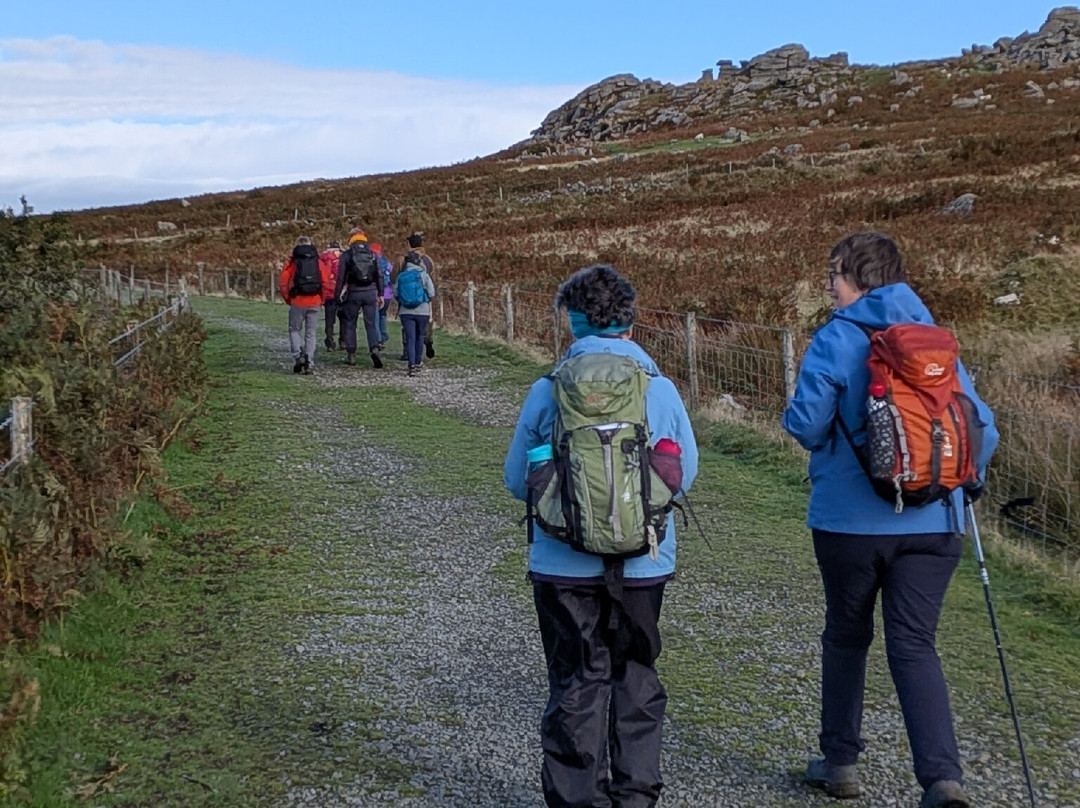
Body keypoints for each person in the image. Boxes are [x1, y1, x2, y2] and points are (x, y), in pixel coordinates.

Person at [781, 232, 999, 808]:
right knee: (915, 645)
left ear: (857, 277)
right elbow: (984, 430)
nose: (828, 285)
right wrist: (959, 483)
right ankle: (942, 780)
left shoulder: (835, 338)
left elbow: (805, 424)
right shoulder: (935, 340)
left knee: (846, 635)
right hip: (935, 522)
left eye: (833, 274)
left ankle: (840, 764)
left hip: (849, 523)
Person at [504, 264, 698, 808]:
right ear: (630, 322)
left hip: (562, 566)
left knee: (576, 680)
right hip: (643, 563)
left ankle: (576, 799)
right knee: (636, 675)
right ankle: (634, 796)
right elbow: (685, 475)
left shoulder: (548, 389)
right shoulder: (659, 389)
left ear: (573, 322)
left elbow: (517, 480)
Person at [278, 236, 333, 375]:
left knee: (294, 330)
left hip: (297, 301)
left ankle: (298, 357)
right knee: (311, 333)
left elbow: (283, 282)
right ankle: (309, 360)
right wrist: (322, 299)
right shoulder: (317, 262)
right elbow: (326, 282)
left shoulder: (293, 263)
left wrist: (288, 299)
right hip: (315, 301)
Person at [333, 228, 385, 367]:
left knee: (350, 322)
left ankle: (351, 354)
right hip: (370, 292)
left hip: (353, 292)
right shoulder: (372, 254)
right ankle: (374, 348)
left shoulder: (347, 254)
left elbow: (341, 277)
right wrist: (381, 294)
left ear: (351, 238)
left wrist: (337, 295)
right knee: (370, 323)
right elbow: (379, 275)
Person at [395, 251, 435, 376]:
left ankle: (411, 365)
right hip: (423, 311)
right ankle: (418, 362)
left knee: (410, 337)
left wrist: (404, 301)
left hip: (406, 312)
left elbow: (395, 293)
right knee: (420, 336)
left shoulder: (401, 276)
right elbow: (432, 293)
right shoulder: (423, 275)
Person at [319, 240, 344, 351]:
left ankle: (329, 342)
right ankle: (343, 341)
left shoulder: (322, 259)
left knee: (329, 319)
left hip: (327, 292)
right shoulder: (341, 259)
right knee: (343, 318)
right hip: (341, 291)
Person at [370, 242, 394, 347]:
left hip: (376, 293)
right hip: (387, 293)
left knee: (375, 317)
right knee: (383, 315)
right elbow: (392, 277)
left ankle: (378, 339)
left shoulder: (372, 262)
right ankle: (383, 335)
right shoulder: (387, 263)